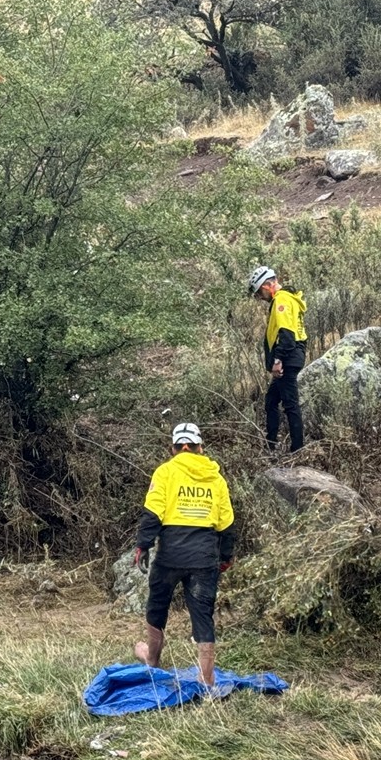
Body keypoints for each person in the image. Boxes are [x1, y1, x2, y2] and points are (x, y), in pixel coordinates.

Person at [133, 422, 237, 687]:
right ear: (200, 448)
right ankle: (207, 678)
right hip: (204, 558)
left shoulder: (166, 472)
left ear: (174, 449)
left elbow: (153, 513)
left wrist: (142, 546)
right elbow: (226, 524)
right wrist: (226, 556)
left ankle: (153, 660)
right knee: (203, 614)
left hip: (170, 555)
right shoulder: (216, 478)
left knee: (157, 607)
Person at [248, 265, 307, 452]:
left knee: (290, 404)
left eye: (258, 293)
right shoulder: (287, 299)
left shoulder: (281, 301)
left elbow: (287, 334)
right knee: (271, 400)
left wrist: (277, 360)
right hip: (292, 355)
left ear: (266, 286)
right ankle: (271, 443)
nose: (259, 298)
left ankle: (297, 449)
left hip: (288, 357)